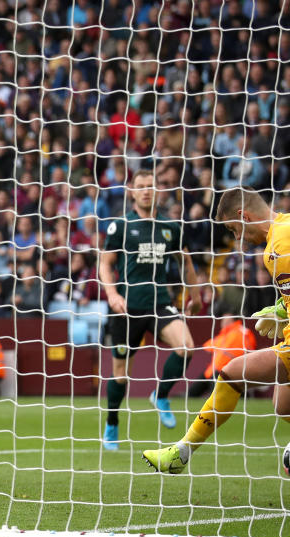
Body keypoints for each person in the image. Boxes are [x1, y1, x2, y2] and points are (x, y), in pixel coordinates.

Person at [144, 189, 290, 473]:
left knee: (231, 373)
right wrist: (280, 308)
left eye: (233, 229)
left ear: (243, 216)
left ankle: (181, 453)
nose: (237, 238)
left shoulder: (277, 248)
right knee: (287, 407)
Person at [99, 169, 202, 450]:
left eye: (151, 186)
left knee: (186, 347)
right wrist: (111, 293)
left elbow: (186, 262)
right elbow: (105, 263)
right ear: (132, 191)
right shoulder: (119, 227)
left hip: (159, 303)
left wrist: (194, 294)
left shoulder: (170, 227)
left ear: (159, 191)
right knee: (121, 374)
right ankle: (111, 424)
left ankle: (162, 394)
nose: (146, 191)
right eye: (141, 186)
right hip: (127, 308)